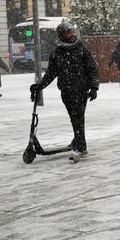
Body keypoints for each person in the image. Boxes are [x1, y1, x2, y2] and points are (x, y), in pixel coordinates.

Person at [30, 20, 99, 162]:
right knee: (75, 119)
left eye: (73, 32)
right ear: (61, 35)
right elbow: (51, 73)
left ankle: (81, 148)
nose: (72, 35)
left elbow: (92, 69)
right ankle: (77, 141)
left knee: (78, 119)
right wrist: (40, 85)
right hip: (66, 91)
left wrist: (94, 87)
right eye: (68, 33)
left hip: (80, 90)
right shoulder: (57, 52)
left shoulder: (81, 49)